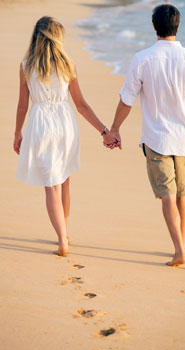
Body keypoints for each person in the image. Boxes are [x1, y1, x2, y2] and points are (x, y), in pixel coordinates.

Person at [107, 4, 185, 266]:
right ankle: (182, 246)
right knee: (182, 194)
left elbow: (127, 100)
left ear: (154, 26)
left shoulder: (142, 59)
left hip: (157, 139)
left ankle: (178, 249)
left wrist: (115, 129)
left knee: (167, 194)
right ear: (178, 26)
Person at [14, 16, 117, 257]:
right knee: (64, 179)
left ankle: (62, 240)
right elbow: (81, 105)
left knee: (51, 185)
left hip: (40, 123)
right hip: (65, 123)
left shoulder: (26, 65)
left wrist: (17, 132)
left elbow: (22, 106)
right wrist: (104, 131)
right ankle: (65, 232)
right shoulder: (68, 64)